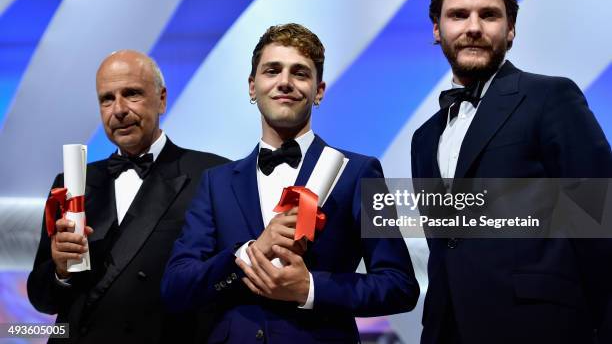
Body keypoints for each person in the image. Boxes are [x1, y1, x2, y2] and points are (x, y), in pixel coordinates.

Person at [162, 23, 419, 343]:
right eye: (272, 70)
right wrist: (248, 253)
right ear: (252, 86)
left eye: (300, 73)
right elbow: (176, 288)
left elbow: (399, 285)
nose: (285, 82)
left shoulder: (359, 172)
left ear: (319, 90)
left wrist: (310, 288)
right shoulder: (217, 183)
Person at [411, 0, 612, 343]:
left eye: (488, 15)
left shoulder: (550, 97)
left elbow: (601, 223)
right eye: (458, 15)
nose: (473, 27)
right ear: (437, 30)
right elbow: (443, 249)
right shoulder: (424, 138)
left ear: (511, 29)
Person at [27, 50, 229, 343]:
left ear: (161, 99)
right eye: (106, 99)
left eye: (131, 94)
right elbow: (42, 299)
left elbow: (226, 283)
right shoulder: (72, 182)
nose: (118, 109)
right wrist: (60, 270)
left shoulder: (212, 175)